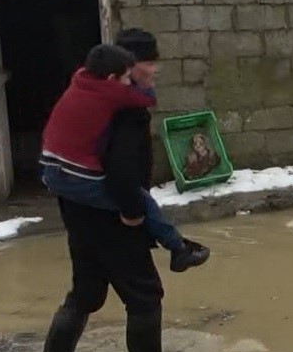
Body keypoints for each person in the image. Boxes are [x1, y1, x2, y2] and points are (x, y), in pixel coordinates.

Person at [40, 29, 175, 352]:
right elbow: (122, 170)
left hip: (77, 208)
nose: (154, 70)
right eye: (149, 62)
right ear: (129, 68)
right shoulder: (126, 110)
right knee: (145, 295)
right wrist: (132, 213)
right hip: (113, 212)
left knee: (86, 292)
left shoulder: (88, 90)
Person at [38, 43, 209, 273]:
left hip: (50, 168)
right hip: (75, 175)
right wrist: (132, 211)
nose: (132, 81)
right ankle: (178, 248)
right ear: (111, 77)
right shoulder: (111, 92)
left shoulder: (79, 81)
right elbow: (145, 99)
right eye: (129, 77)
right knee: (139, 202)